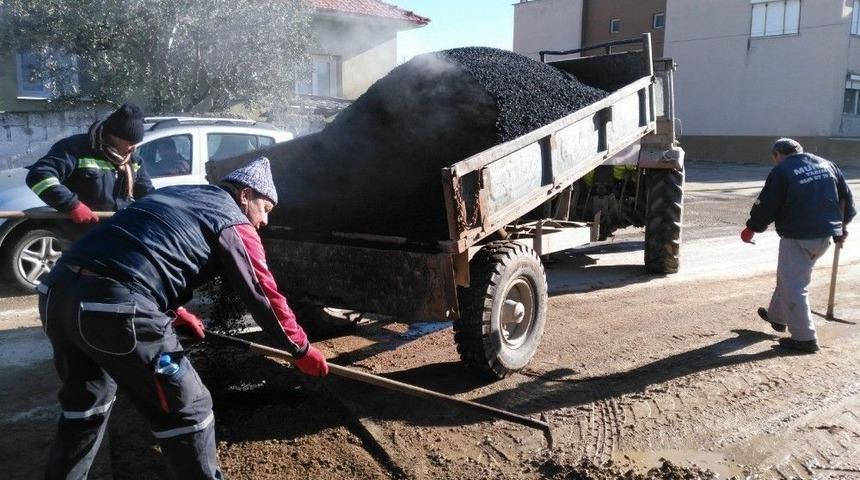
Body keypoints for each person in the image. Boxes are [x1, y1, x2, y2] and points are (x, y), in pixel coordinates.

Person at [36, 157, 328, 479]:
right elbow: (263, 293)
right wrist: (299, 348)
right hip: (112, 308)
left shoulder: (177, 194)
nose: (265, 221)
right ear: (245, 195)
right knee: (190, 411)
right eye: (266, 209)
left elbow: (141, 249)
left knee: (86, 406)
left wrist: (175, 312)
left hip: (56, 295)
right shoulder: (233, 220)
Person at [741, 138, 856, 353]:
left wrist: (752, 228)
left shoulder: (782, 170)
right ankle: (777, 317)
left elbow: (766, 205)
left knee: (793, 284)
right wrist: (841, 228)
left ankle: (805, 338)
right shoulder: (827, 164)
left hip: (799, 236)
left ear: (777, 155)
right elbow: (847, 201)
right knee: (790, 275)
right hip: (824, 236)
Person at [26, 103, 154, 226]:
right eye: (131, 143)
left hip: (118, 232)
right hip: (82, 234)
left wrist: (157, 208)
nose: (134, 148)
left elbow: (147, 193)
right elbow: (39, 175)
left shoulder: (133, 161)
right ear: (114, 137)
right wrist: (72, 205)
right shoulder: (75, 149)